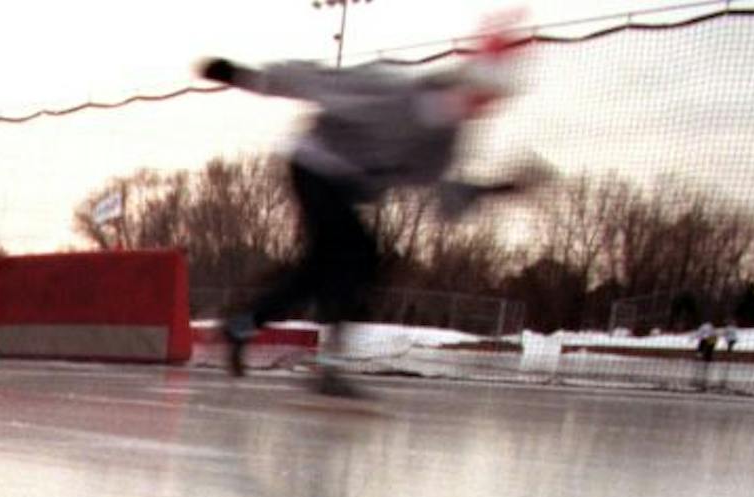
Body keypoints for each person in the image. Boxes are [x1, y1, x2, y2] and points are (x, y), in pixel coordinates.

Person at [201, 40, 537, 399]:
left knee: (322, 268)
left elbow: (444, 191)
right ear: (463, 87)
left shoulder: (444, 139)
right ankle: (324, 366)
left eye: (486, 106)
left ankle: (243, 325)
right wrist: (240, 75)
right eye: (479, 99)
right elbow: (314, 81)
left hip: (346, 187)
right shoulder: (390, 89)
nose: (479, 111)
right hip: (315, 164)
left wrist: (496, 189)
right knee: (357, 257)